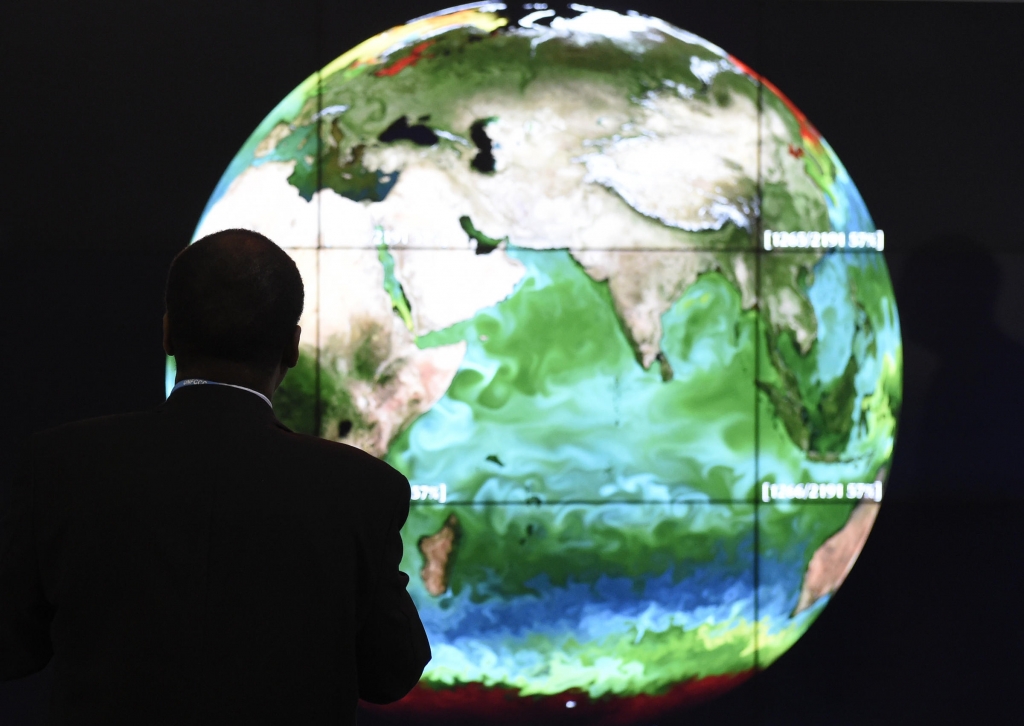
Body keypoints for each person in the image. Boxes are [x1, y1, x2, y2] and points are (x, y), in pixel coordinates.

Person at [0, 229, 430, 724]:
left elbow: (13, 649)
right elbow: (391, 674)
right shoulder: (361, 490)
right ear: (292, 347)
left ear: (167, 333)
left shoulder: (59, 466)